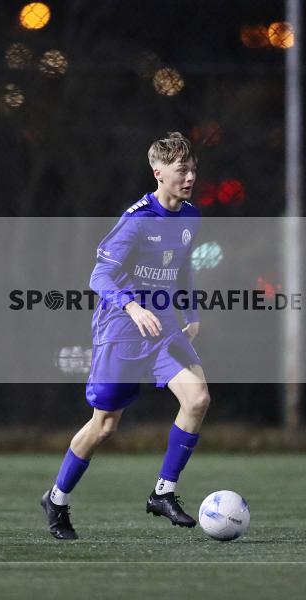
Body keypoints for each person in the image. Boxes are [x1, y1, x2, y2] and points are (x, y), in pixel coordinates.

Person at [41, 132, 209, 539]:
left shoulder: (191, 216)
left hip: (164, 328)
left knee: (198, 398)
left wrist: (191, 310)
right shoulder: (136, 220)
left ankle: (163, 492)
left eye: (192, 169)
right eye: (180, 170)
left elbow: (182, 267)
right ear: (158, 173)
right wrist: (133, 307)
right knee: (104, 426)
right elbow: (98, 276)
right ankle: (57, 499)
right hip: (121, 329)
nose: (189, 177)